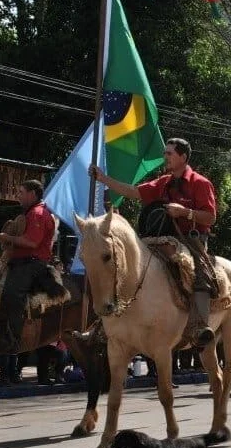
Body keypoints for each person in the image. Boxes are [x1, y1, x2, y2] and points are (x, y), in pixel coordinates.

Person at [89, 138, 218, 347]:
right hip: (160, 237)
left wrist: (185, 212)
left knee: (199, 273)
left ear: (183, 157)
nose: (165, 157)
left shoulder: (200, 183)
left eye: (169, 154)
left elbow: (210, 217)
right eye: (165, 153)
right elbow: (133, 191)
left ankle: (200, 326)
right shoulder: (163, 182)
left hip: (191, 239)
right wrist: (103, 179)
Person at [0, 180, 57, 354]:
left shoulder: (37, 213)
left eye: (21, 192)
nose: (18, 196)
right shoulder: (31, 213)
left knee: (11, 294)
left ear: (32, 194)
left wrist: (7, 238)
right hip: (21, 262)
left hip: (32, 264)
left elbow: (32, 242)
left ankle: (14, 339)